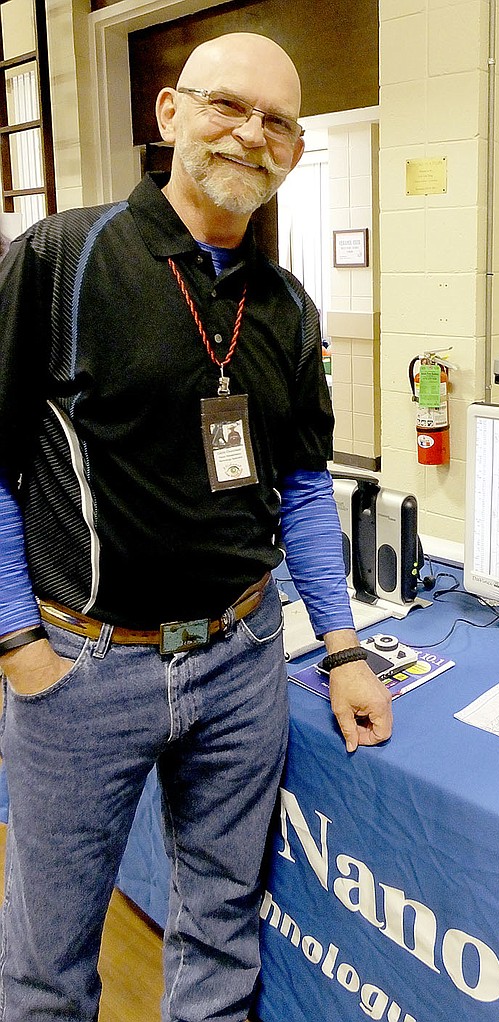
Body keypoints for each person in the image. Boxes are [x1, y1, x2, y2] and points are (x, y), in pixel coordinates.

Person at [0, 32, 392, 1022]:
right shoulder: (58, 258)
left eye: (276, 123)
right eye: (227, 106)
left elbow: (301, 488)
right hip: (84, 672)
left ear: (293, 152)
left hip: (243, 661)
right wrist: (14, 642)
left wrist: (340, 646)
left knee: (219, 934)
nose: (249, 134)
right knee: (48, 965)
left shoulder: (288, 310)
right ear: (169, 114)